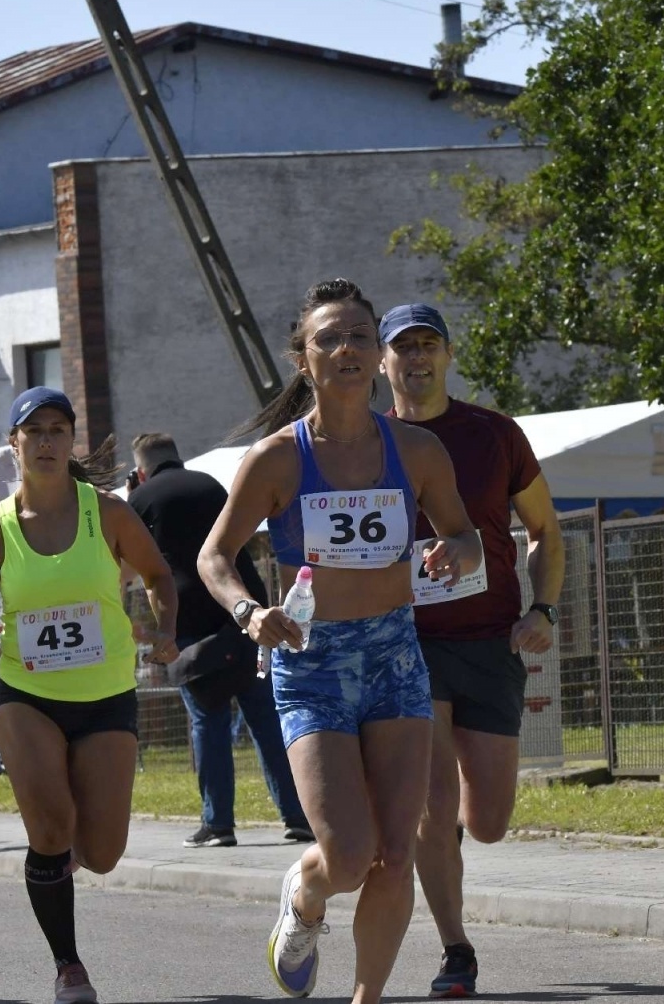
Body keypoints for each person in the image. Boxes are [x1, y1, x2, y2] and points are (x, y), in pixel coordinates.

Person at [198, 278, 480, 1004]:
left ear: (376, 354)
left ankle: (367, 999)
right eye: (330, 337)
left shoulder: (415, 450)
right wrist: (247, 613)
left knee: (396, 854)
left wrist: (456, 551)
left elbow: (465, 536)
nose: (348, 349)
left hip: (394, 657)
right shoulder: (277, 459)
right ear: (304, 360)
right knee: (350, 856)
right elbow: (214, 557)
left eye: (360, 335)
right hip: (312, 662)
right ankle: (303, 894)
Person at [0, 386, 179, 1004]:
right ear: (14, 444)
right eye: (36, 431)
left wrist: (165, 629)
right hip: (25, 692)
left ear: (71, 441)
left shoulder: (105, 512)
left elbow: (159, 574)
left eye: (59, 430)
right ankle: (68, 965)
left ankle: (62, 858)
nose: (48, 441)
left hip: (105, 692)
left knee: (103, 853)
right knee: (50, 826)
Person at [378, 303, 565, 998]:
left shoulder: (494, 434)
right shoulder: (365, 441)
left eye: (429, 345)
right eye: (404, 348)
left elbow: (545, 528)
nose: (417, 358)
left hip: (490, 641)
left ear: (449, 356)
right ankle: (456, 948)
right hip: (407, 642)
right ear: (382, 363)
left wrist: (541, 609)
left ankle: (446, 841)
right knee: (431, 804)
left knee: (485, 821)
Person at [126, 432, 311, 849]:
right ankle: (297, 817)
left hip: (191, 626)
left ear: (140, 470)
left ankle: (218, 824)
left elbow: (131, 562)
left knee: (207, 721)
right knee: (265, 719)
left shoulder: (141, 501)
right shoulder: (209, 484)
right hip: (244, 612)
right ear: (178, 458)